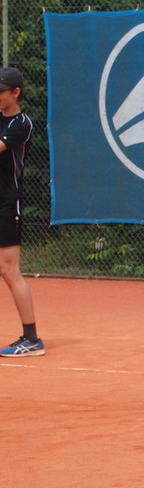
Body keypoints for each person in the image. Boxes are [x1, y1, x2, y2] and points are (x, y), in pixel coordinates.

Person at [0, 66, 43, 357]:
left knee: (8, 269)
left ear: (16, 92)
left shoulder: (21, 123)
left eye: (1, 91)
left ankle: (31, 339)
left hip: (6, 202)